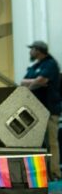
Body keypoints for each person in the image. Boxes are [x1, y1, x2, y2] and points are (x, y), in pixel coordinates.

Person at [21, 40, 61, 180]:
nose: (30, 52)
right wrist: (35, 82)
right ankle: (42, 173)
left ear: (38, 50)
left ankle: (55, 173)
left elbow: (42, 80)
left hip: (49, 110)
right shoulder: (36, 66)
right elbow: (23, 81)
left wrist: (34, 83)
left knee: (51, 143)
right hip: (35, 111)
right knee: (37, 143)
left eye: (32, 49)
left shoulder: (50, 64)